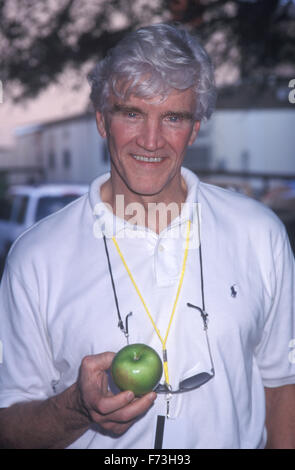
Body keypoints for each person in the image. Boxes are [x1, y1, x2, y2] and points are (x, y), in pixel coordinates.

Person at [0, 23, 294, 450]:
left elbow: (283, 383)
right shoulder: (36, 256)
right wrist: (78, 408)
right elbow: (9, 427)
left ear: (194, 129)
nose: (151, 141)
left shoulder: (260, 234)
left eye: (173, 117)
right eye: (132, 113)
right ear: (102, 119)